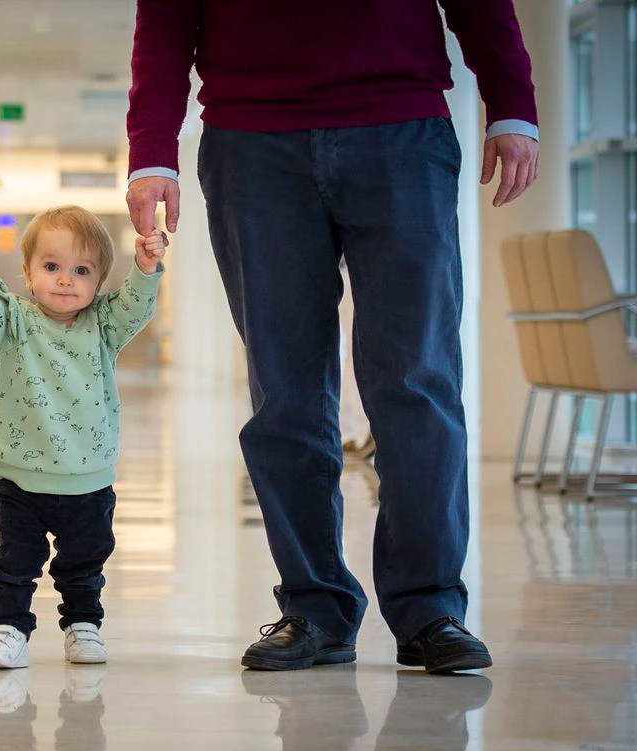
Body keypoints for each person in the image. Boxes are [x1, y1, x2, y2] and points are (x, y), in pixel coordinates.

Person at [126, 1, 540, 673]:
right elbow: (165, 21)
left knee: (417, 379)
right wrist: (152, 151)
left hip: (402, 126)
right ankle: (314, 606)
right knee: (285, 390)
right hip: (251, 140)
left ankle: (430, 607)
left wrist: (512, 102)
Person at [0, 206, 166, 669]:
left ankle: (83, 626)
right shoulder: (13, 321)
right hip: (21, 478)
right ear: (27, 273)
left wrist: (145, 269)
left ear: (100, 282)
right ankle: (7, 628)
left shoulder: (104, 325)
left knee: (84, 564)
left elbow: (137, 307)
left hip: (87, 477)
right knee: (14, 562)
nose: (65, 280)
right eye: (51, 267)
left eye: (81, 270)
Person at [338, 259, 375, 460]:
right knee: (356, 350)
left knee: (357, 350)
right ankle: (358, 431)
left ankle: (360, 430)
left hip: (351, 269)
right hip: (348, 270)